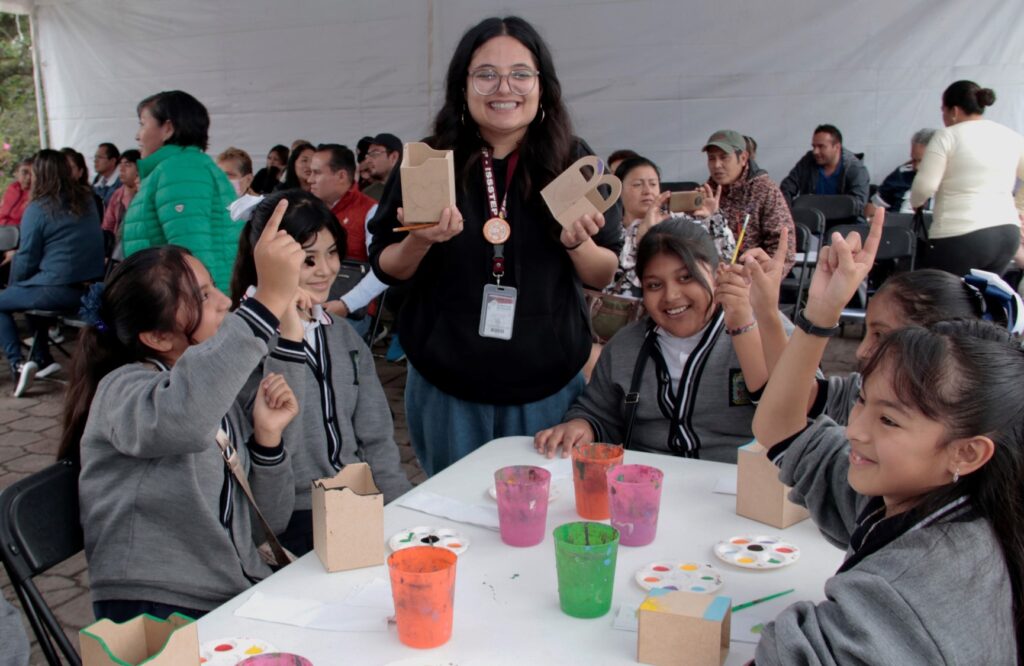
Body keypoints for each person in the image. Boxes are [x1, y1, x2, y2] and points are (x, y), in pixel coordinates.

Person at [749, 215, 1021, 664]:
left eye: (889, 421)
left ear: (967, 451)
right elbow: (780, 430)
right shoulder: (919, 493)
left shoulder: (911, 590)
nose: (854, 429)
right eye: (861, 401)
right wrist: (820, 315)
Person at [368, 16, 622, 475]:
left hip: (547, 382)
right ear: (462, 85)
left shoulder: (573, 161)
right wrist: (420, 242)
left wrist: (576, 244)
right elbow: (386, 266)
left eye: (520, 73)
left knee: (538, 520)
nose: (504, 87)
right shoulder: (428, 160)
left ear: (542, 84)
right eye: (486, 73)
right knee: (456, 517)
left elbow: (603, 272)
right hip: (448, 383)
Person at [63, 205, 306, 622]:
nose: (226, 301)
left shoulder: (211, 390)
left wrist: (267, 441)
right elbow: (184, 418)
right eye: (203, 297)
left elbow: (273, 520)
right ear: (157, 336)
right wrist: (266, 300)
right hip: (157, 609)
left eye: (213, 287)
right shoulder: (122, 391)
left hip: (231, 592)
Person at [231, 190, 410, 555]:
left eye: (331, 253)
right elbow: (270, 446)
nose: (327, 269)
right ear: (267, 261)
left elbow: (376, 434)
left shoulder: (341, 333)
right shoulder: (240, 341)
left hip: (358, 500)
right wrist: (285, 330)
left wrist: (400, 506)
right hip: (291, 518)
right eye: (308, 259)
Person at [536, 220, 781, 461]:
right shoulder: (625, 347)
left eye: (686, 278)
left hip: (741, 488)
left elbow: (798, 407)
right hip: (646, 489)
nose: (671, 295)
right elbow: (597, 412)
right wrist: (582, 426)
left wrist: (746, 325)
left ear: (719, 274)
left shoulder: (764, 327)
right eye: (654, 285)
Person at [0, 149, 104, 396]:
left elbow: (26, 257)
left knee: (6, 300)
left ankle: (18, 364)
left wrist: (16, 286)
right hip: (89, 289)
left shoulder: (38, 207)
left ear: (40, 174)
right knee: (29, 295)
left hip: (55, 289)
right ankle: (43, 358)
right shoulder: (87, 200)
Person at [121, 90, 241, 291]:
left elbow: (193, 250)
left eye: (143, 124)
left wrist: (202, 306)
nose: (137, 135)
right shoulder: (181, 167)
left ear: (167, 128)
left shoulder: (181, 171)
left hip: (186, 308)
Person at [910, 80, 1024, 275]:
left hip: (961, 234)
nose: (943, 117)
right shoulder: (1011, 136)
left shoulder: (947, 136)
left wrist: (916, 202)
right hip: (1007, 233)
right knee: (986, 296)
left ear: (954, 111)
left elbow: (925, 186)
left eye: (943, 111)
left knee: (949, 298)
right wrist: (1018, 208)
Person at [611, 156, 734, 297]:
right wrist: (639, 239)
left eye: (653, 184)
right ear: (619, 190)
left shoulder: (677, 222)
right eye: (637, 184)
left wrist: (712, 219)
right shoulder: (610, 232)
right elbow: (616, 286)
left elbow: (727, 257)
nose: (647, 191)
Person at [702, 129, 796, 273]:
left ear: (744, 158)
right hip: (712, 278)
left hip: (751, 279)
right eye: (711, 158)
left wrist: (764, 278)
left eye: (724, 157)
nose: (716, 165)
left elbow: (784, 247)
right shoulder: (706, 193)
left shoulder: (765, 190)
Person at [308, 144, 375, 263]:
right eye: (310, 173)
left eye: (317, 173)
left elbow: (378, 269)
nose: (310, 180)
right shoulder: (305, 207)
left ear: (341, 176)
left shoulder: (370, 211)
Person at [779, 124, 870, 209]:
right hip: (812, 220)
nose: (815, 151)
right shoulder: (808, 160)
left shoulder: (856, 168)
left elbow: (857, 205)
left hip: (845, 223)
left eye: (821, 146)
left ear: (837, 147)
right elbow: (787, 187)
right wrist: (787, 214)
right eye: (814, 146)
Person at [868, 128, 936, 215]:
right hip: (898, 226)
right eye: (914, 160)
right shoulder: (902, 174)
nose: (916, 167)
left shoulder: (953, 179)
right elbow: (872, 208)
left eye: (922, 161)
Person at [101, 149, 140, 251]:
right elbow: (107, 226)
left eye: (127, 165)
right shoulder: (118, 194)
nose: (121, 169)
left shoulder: (145, 191)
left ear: (140, 168)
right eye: (120, 165)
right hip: (116, 249)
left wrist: (128, 196)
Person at [361, 133, 402, 202]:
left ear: (394, 157)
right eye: (368, 155)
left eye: (374, 153)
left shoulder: (412, 188)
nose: (367, 161)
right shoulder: (367, 195)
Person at [0, 157, 32, 226]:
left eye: (32, 173)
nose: (29, 177)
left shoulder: (38, 193)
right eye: (24, 172)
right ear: (16, 173)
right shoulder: (12, 189)